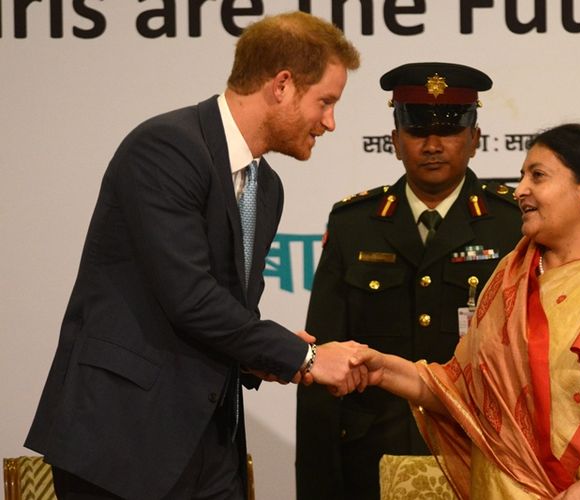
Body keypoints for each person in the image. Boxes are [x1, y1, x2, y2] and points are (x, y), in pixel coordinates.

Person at [25, 11, 363, 500]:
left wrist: (259, 358)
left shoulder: (266, 187)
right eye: (325, 102)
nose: (330, 122)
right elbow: (190, 298)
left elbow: (226, 311)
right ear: (283, 85)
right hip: (123, 439)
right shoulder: (166, 148)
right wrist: (305, 358)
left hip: (211, 441)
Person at [350, 123, 580, 499]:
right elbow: (459, 391)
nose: (520, 191)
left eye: (538, 176)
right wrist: (380, 368)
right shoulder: (513, 276)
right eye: (522, 176)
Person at [296, 62, 522, 500]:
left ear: (475, 140)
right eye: (417, 132)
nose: (433, 145)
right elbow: (320, 365)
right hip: (372, 461)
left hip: (483, 455)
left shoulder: (513, 226)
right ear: (396, 142)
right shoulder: (354, 224)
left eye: (450, 131)